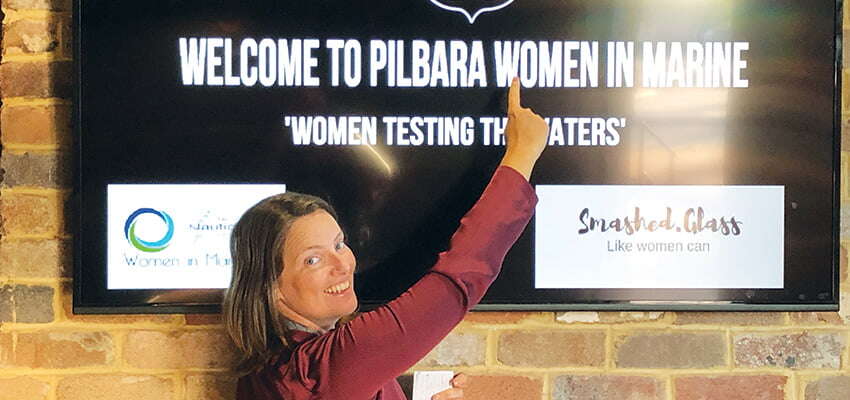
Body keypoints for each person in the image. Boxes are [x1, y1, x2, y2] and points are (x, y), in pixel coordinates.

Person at [223, 77, 549, 400]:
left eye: (339, 244)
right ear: (272, 289)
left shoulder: (268, 371)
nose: (343, 265)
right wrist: (522, 152)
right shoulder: (323, 366)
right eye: (313, 259)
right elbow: (459, 279)